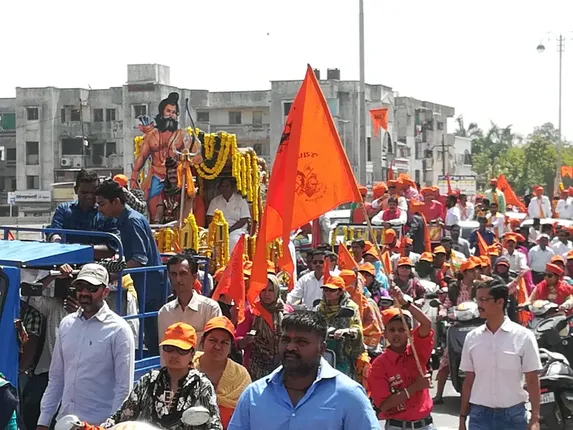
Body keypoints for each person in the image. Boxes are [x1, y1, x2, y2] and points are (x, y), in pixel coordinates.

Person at [228, 311, 380, 430]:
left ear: (322, 348)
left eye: (301, 342)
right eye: (286, 340)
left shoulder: (348, 395)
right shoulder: (255, 394)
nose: (290, 347)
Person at [37, 264, 135, 427]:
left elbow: (123, 389)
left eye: (91, 288)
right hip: (65, 422)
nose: (84, 293)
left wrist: (111, 426)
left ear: (105, 292)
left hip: (99, 424)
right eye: (80, 286)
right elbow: (56, 378)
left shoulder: (119, 330)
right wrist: (44, 421)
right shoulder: (66, 324)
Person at [102, 322, 223, 430]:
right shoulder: (149, 381)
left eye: (181, 350)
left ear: (192, 354)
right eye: (169, 348)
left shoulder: (201, 385)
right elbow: (122, 417)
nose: (174, 355)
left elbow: (214, 425)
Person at [459, 279, 541, 430]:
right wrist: (462, 418)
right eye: (477, 299)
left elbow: (532, 380)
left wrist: (535, 418)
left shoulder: (524, 336)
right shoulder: (472, 338)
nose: (479, 304)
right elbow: (468, 380)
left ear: (500, 302)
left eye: (484, 300)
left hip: (513, 417)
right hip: (479, 416)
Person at [95, 179, 164, 354]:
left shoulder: (132, 221)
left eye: (102, 204)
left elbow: (140, 259)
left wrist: (115, 273)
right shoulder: (122, 220)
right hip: (144, 283)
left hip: (152, 284)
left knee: (153, 333)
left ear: (116, 202)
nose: (99, 209)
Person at [368, 286, 435, 429]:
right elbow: (384, 405)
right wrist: (415, 387)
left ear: (410, 333)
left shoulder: (417, 353)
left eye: (401, 330)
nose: (396, 334)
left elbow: (426, 323)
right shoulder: (379, 365)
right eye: (391, 330)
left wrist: (405, 303)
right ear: (384, 334)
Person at [131, 92, 196, 222]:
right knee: (152, 210)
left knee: (182, 210)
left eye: (173, 112)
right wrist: (133, 179)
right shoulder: (151, 135)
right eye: (168, 111)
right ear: (162, 112)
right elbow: (141, 158)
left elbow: (196, 155)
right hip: (156, 176)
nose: (171, 115)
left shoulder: (182, 134)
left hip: (175, 178)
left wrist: (187, 158)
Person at [433, 260, 478, 404]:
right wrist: (442, 311)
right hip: (458, 325)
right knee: (446, 358)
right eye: (471, 271)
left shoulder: (479, 286)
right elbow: (446, 304)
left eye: (476, 270)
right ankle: (439, 394)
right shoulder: (454, 288)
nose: (475, 273)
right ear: (464, 273)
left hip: (477, 326)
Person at [193, 317, 251, 429]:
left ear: (230, 348)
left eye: (224, 343)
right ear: (202, 341)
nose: (218, 347)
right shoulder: (188, 367)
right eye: (213, 340)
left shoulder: (241, 376)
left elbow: (247, 415)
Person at [49, 169, 119, 259]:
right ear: (75, 190)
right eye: (84, 193)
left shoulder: (107, 213)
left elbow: (112, 247)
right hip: (65, 263)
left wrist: (77, 250)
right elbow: (54, 233)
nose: (89, 196)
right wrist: (56, 241)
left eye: (93, 192)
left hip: (96, 266)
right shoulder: (63, 210)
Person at [235, 274, 292, 380]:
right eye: (263, 290)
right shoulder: (250, 311)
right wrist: (245, 340)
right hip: (255, 367)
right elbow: (237, 339)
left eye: (271, 290)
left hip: (283, 364)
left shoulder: (287, 311)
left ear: (277, 291)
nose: (267, 294)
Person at [158, 254, 222, 350]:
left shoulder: (210, 309)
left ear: (194, 277)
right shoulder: (164, 312)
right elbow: (164, 352)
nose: (178, 279)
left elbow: (216, 348)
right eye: (173, 274)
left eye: (183, 274)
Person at [314, 276, 364, 380]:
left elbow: (357, 326)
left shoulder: (351, 307)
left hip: (343, 351)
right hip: (322, 349)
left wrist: (347, 331)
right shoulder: (320, 307)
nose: (328, 292)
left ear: (341, 292)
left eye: (332, 290)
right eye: (326, 290)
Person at [206, 177, 250, 252]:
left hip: (237, 229)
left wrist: (229, 230)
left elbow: (244, 220)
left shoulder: (240, 200)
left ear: (232, 188)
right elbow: (210, 218)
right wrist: (218, 229)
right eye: (222, 186)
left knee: (233, 239)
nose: (225, 189)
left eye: (227, 186)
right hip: (218, 229)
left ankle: (231, 263)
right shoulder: (215, 201)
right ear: (219, 188)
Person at [154, 156, 194, 225]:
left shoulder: (186, 192)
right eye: (169, 173)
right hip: (165, 227)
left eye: (175, 173)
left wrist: (176, 224)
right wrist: (157, 223)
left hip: (181, 227)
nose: (172, 175)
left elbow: (186, 216)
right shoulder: (164, 192)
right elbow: (159, 212)